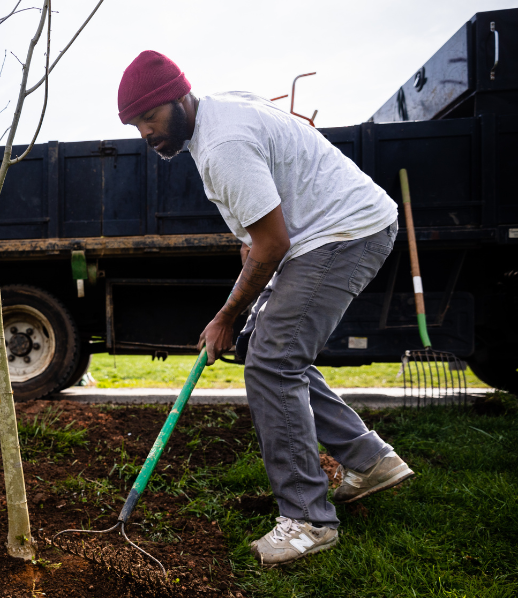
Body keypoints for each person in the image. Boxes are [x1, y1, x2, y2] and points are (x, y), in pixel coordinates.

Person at [118, 51, 415, 567]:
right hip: (322, 235)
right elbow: (255, 237)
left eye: (150, 116)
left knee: (274, 363)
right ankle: (370, 460)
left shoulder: (222, 144)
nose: (145, 132)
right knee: (268, 348)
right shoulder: (216, 115)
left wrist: (225, 315)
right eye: (136, 123)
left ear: (179, 97)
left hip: (341, 235)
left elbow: (272, 243)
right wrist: (247, 303)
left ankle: (307, 520)